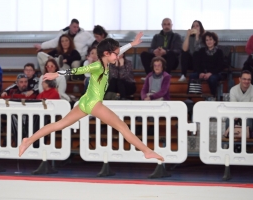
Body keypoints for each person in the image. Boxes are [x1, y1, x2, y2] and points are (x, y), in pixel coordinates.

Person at [19, 33, 164, 161]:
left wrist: (132, 44)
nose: (118, 55)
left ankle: (28, 140)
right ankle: (147, 151)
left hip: (85, 101)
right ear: (107, 54)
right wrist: (56, 74)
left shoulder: (106, 61)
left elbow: (117, 51)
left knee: (60, 124)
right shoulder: (98, 66)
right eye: (115, 53)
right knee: (122, 126)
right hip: (94, 103)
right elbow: (77, 70)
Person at [189, 31, 224, 97]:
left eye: (210, 39)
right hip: (203, 72)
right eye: (207, 40)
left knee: (212, 79)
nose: (209, 41)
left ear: (214, 41)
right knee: (193, 76)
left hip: (215, 73)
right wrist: (200, 73)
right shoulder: (201, 51)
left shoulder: (219, 52)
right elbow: (197, 64)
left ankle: (213, 96)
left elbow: (220, 66)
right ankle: (193, 97)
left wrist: (210, 73)